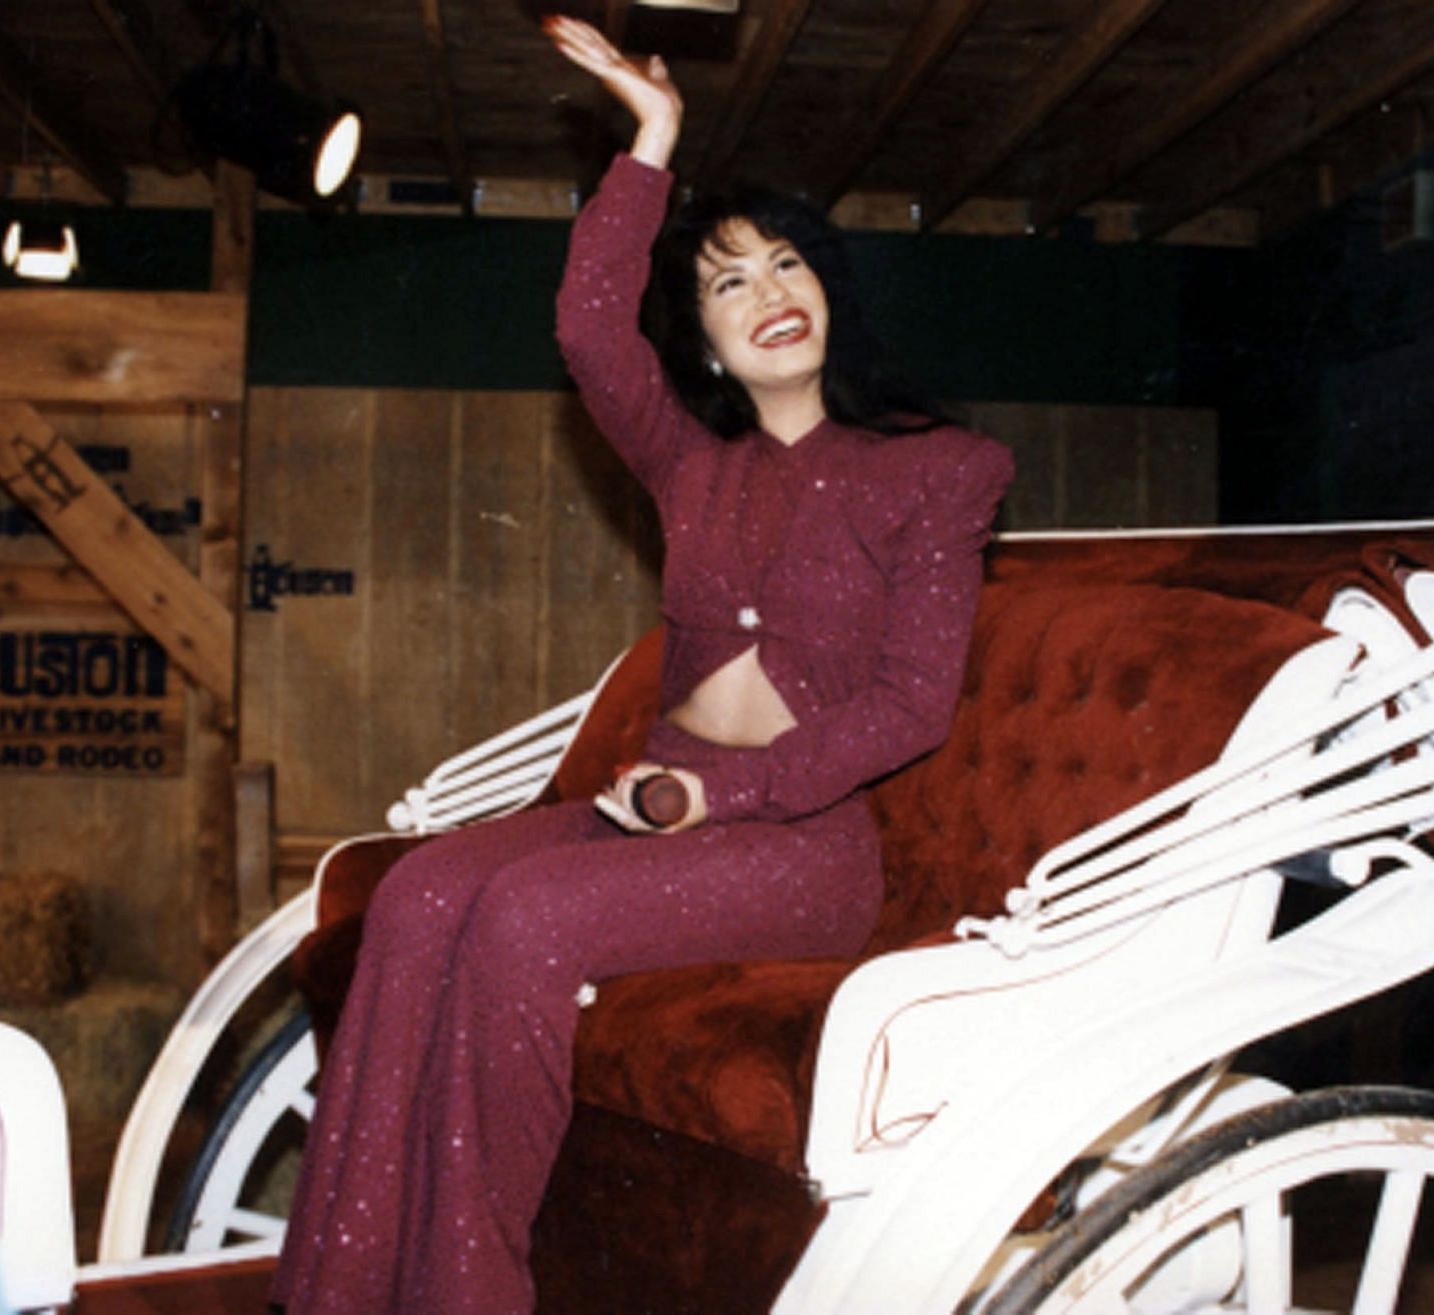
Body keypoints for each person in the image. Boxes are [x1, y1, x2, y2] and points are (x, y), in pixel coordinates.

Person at [270, 16, 1013, 1313]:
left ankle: (470, 1295)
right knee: (423, 893)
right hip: (651, 809)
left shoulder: (940, 470)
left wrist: (716, 797)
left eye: (788, 266)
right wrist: (652, 143)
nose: (769, 295)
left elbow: (909, 705)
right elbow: (588, 329)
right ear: (708, 340)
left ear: (829, 292)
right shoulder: (692, 464)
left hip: (799, 846)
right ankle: (342, 1286)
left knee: (522, 914)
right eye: (730, 283)